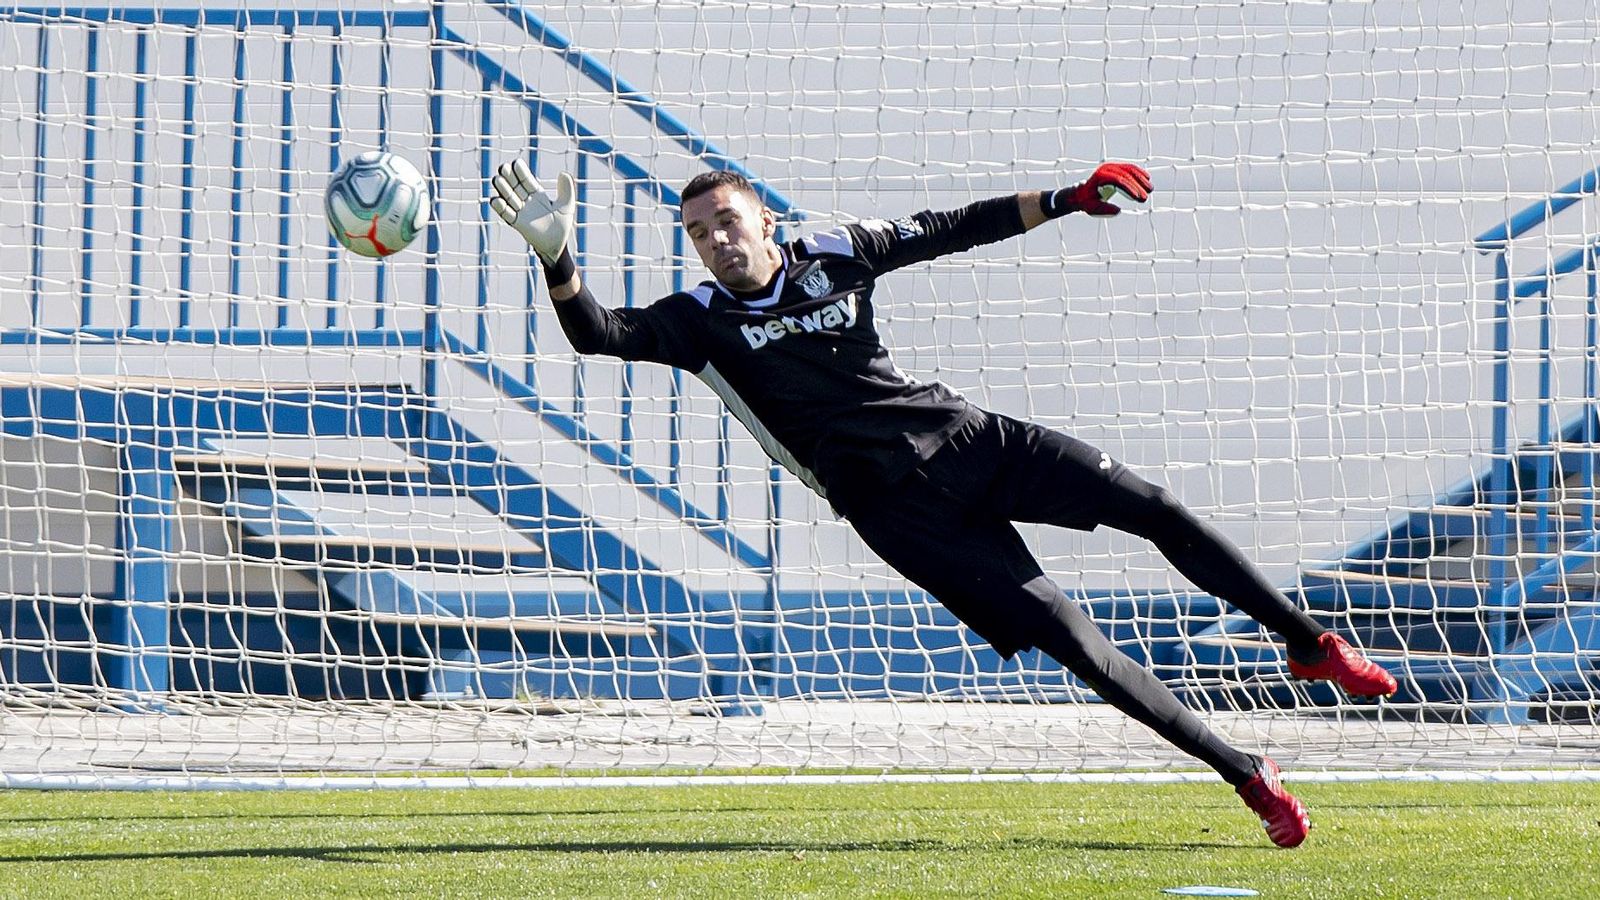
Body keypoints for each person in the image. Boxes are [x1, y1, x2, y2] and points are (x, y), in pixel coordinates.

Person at [489, 158, 1397, 848]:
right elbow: (598, 334)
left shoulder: (838, 253)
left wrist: (1071, 198)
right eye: (698, 232)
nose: (716, 240)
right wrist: (558, 256)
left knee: (1150, 504)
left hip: (969, 440)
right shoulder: (695, 321)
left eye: (727, 220)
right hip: (900, 515)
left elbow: (956, 226)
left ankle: (1308, 642)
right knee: (1076, 643)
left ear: (764, 218)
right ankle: (1247, 775)